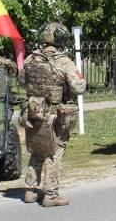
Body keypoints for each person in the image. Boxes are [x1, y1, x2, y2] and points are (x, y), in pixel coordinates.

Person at [19, 22, 87, 207]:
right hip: (54, 114)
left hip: (33, 112)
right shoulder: (64, 62)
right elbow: (78, 88)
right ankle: (51, 195)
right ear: (62, 40)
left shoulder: (31, 59)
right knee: (54, 152)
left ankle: (30, 191)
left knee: (37, 150)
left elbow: (22, 81)